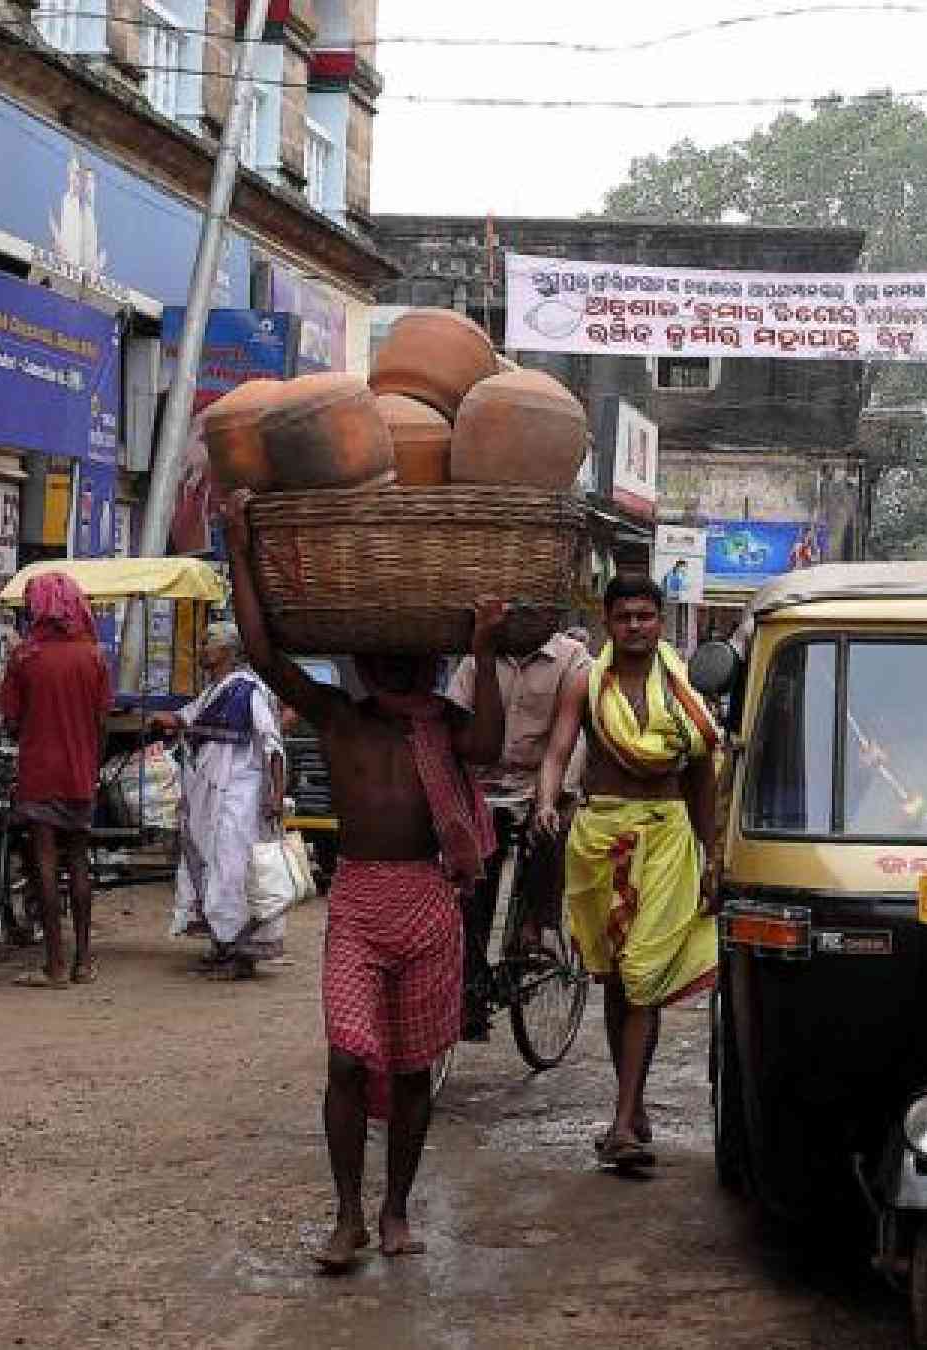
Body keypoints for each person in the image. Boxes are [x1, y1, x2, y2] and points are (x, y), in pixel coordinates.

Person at [220, 488, 505, 1272]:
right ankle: (346, 1214)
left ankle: (396, 1208)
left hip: (427, 901)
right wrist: (239, 544)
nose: (391, 664)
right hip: (359, 901)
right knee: (347, 1060)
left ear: (425, 660)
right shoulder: (341, 717)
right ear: (362, 659)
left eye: (406, 655)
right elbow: (263, 652)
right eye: (379, 654)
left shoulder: (444, 725)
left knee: (414, 1071)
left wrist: (484, 648)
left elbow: (490, 744)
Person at [536, 576, 720, 1171]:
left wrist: (712, 853)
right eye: (624, 617)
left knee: (643, 975)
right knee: (617, 980)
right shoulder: (587, 685)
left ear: (659, 622)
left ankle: (621, 1125)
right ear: (607, 624)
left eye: (645, 616)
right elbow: (560, 749)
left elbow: (700, 776)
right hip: (599, 837)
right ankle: (631, 1104)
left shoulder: (685, 690)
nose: (635, 626)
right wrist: (546, 799)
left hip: (667, 836)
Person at [443, 626, 590, 1040]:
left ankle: (534, 927)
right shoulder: (478, 660)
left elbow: (572, 738)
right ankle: (469, 982)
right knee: (472, 883)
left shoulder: (571, 658)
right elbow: (455, 717)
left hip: (541, 781)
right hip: (483, 787)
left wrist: (552, 795)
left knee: (550, 829)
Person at [0, 571, 113, 989]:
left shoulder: (25, 658)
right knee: (78, 859)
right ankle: (83, 961)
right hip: (81, 771)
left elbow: (10, 719)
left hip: (39, 771)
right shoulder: (95, 657)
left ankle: (55, 965)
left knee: (45, 862)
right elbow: (102, 722)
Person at [158, 622, 288, 977]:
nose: (202, 649)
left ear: (228, 652)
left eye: (208, 643)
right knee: (213, 869)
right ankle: (222, 945)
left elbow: (272, 744)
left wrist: (276, 794)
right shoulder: (214, 692)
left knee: (233, 872)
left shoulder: (248, 691)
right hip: (209, 799)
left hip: (239, 799)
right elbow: (182, 719)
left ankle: (239, 956)